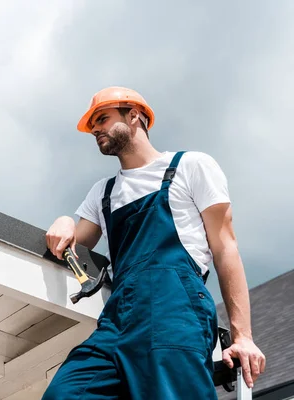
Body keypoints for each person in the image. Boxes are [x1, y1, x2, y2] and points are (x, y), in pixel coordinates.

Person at [42, 87, 265, 399]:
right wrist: (65, 221)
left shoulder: (190, 166)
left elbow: (225, 247)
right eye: (92, 126)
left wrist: (243, 336)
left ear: (134, 115)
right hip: (118, 321)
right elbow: (73, 241)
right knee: (66, 393)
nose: (95, 129)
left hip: (174, 311)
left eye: (102, 119)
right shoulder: (103, 193)